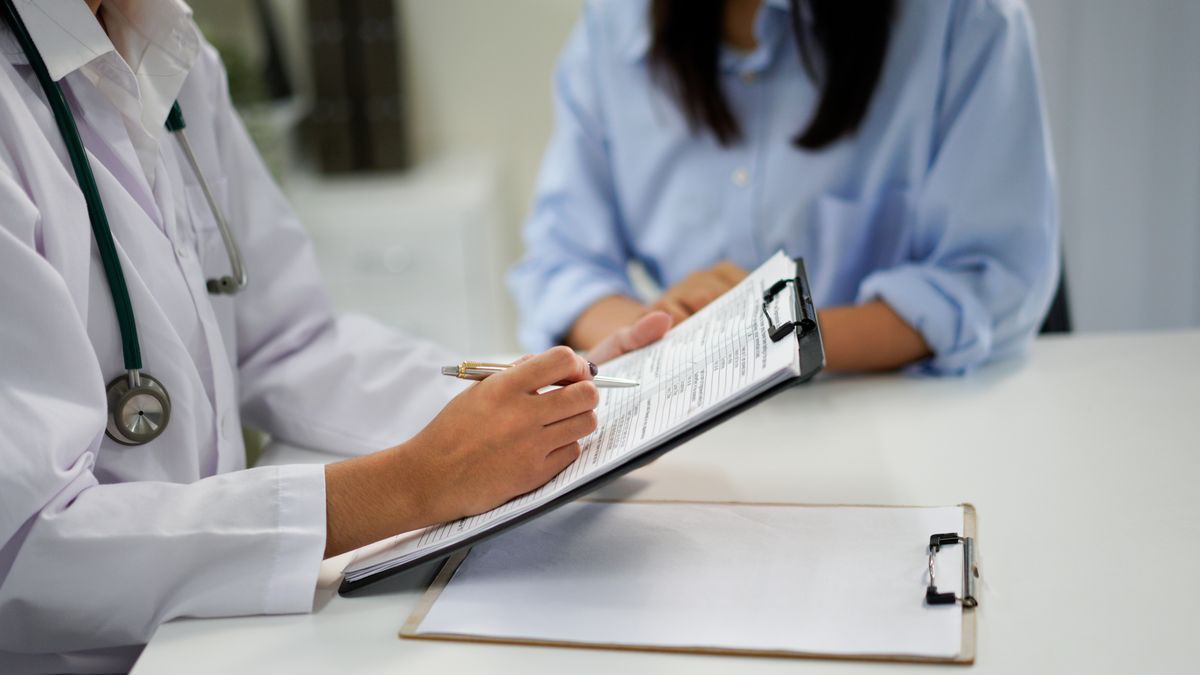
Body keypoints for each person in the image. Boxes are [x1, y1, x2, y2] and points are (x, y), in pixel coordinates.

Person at [0, 1, 668, 672]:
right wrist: (402, 488)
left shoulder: (169, 49)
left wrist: (533, 386)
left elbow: (289, 344)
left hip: (205, 635)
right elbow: (26, 546)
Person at [509, 0, 1059, 374]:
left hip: (900, 411)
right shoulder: (612, 25)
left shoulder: (961, 19)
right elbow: (559, 265)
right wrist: (666, 329)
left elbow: (991, 278)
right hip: (695, 414)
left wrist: (763, 336)